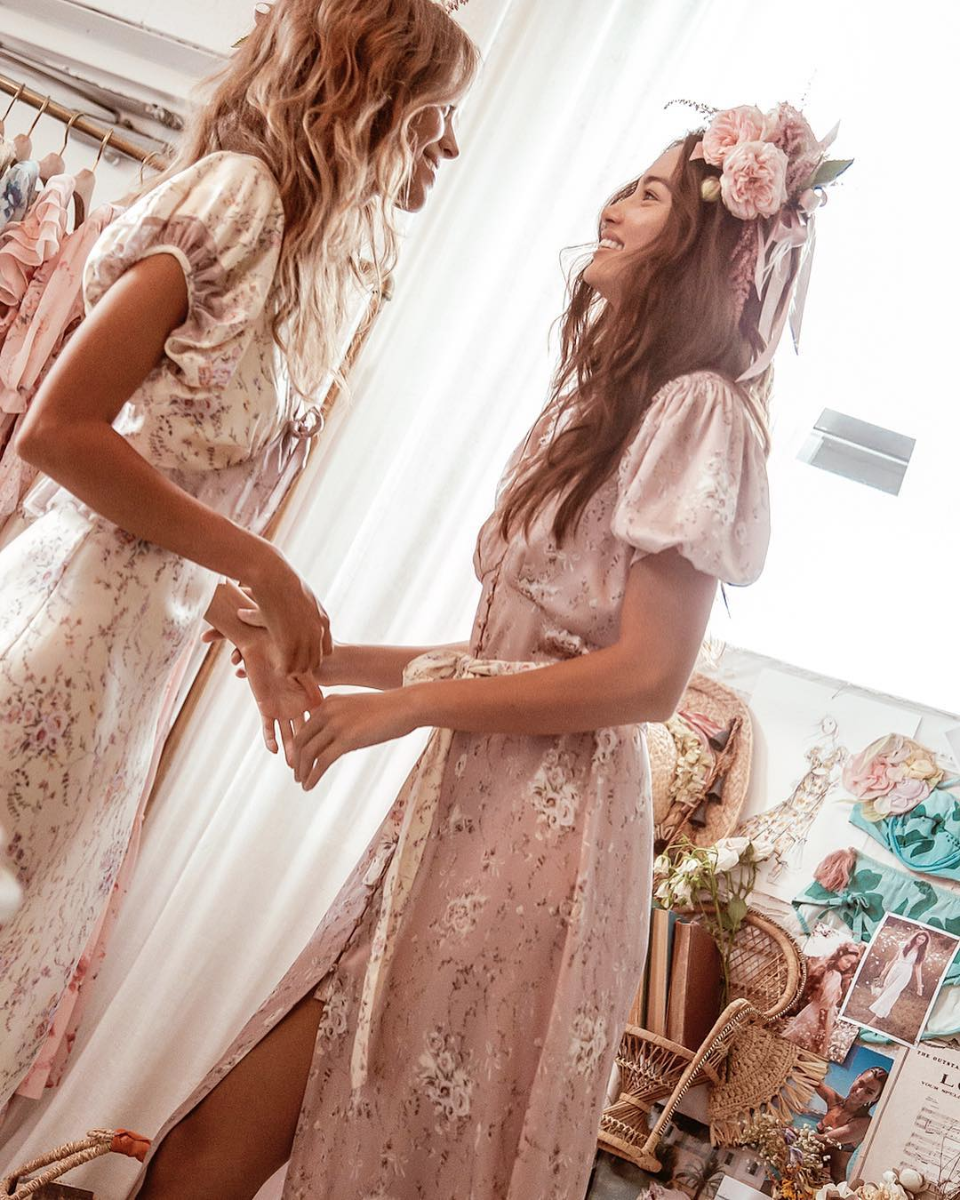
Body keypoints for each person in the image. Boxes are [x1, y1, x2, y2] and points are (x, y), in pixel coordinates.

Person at [134, 101, 837, 1200]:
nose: (613, 206)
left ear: (705, 246)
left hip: (545, 838)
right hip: (467, 802)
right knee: (214, 1146)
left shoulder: (702, 411)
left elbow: (647, 680)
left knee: (308, 1150)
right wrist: (320, 650)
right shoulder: (603, 408)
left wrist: (408, 708)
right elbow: (504, 650)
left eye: (649, 193)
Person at [0, 0, 478, 1109]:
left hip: (116, 674)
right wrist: (265, 569)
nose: (450, 146)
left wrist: (248, 628)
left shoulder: (291, 255)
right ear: (368, 99)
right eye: (436, 113)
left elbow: (148, 518)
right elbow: (59, 435)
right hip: (50, 657)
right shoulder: (238, 194)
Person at [782, 942, 862, 1055]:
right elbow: (825, 1007)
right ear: (839, 956)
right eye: (847, 960)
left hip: (809, 1012)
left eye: (851, 963)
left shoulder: (826, 970)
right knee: (811, 1049)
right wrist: (823, 1030)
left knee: (792, 1047)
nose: (848, 965)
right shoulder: (835, 976)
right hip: (820, 1016)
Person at [815, 1066, 889, 1183]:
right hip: (809, 1168)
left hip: (831, 1184)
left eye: (869, 1092)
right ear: (856, 1078)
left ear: (876, 1098)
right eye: (861, 1083)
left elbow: (823, 1140)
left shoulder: (864, 1124)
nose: (859, 1092)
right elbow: (811, 1080)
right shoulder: (834, 1102)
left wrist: (789, 1132)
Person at [868, 929, 929, 1021]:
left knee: (892, 993)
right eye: (919, 938)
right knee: (885, 989)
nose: (919, 941)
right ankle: (879, 1011)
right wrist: (885, 971)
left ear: (925, 942)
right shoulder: (905, 945)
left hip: (905, 973)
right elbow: (894, 959)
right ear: (915, 937)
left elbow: (918, 969)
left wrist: (919, 986)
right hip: (895, 969)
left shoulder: (921, 953)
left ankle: (877, 1017)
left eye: (922, 940)